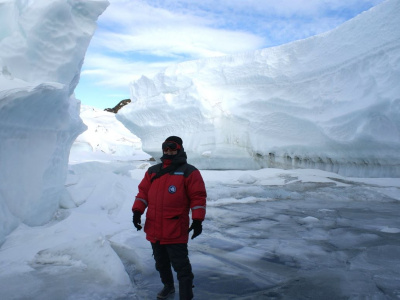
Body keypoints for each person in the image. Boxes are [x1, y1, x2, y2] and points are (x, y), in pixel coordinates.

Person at [132, 136, 207, 300]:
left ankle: (186, 294)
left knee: (181, 265)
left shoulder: (189, 172)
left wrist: (197, 220)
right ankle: (168, 286)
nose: (169, 151)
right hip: (154, 227)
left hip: (175, 228)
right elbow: (143, 193)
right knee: (161, 263)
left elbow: (198, 197)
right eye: (166, 149)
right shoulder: (153, 171)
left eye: (172, 148)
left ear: (179, 149)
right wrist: (137, 211)